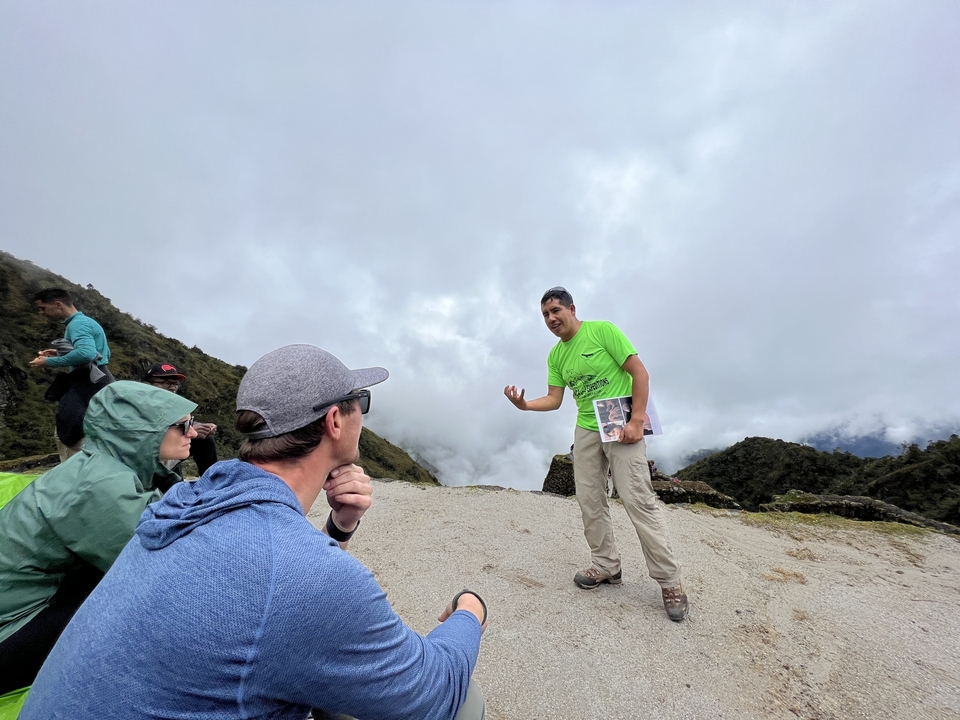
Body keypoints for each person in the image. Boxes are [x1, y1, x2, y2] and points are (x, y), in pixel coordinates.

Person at [22, 344, 488, 720]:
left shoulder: (185, 503)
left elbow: (271, 588)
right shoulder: (299, 574)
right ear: (335, 420)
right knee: (466, 706)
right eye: (360, 402)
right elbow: (433, 696)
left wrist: (337, 528)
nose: (363, 412)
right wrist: (471, 609)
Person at [504, 286, 688, 622]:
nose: (551, 319)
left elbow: (639, 373)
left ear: (572, 309)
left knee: (637, 500)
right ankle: (607, 567)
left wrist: (636, 420)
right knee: (589, 499)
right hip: (587, 427)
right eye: (545, 315)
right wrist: (526, 405)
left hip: (619, 420)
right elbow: (555, 398)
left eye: (556, 311)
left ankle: (669, 581)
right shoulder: (556, 355)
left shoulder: (602, 331)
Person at [0, 381, 197, 694]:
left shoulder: (102, 464)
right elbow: (168, 564)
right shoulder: (98, 487)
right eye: (183, 425)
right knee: (140, 608)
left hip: (29, 601)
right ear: (140, 430)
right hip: (9, 632)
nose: (194, 433)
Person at [30, 288, 114, 461]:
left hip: (87, 384)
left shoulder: (77, 324)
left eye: (43, 308)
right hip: (99, 381)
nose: (41, 313)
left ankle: (77, 477)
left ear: (57, 304)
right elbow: (101, 352)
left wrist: (48, 362)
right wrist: (57, 353)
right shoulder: (85, 321)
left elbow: (87, 354)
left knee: (70, 433)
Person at [143, 362, 220, 476]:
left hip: (166, 453)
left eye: (175, 384)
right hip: (146, 458)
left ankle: (211, 481)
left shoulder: (171, 404)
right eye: (165, 383)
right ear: (147, 384)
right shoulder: (138, 406)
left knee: (205, 439)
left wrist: (200, 427)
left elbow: (181, 422)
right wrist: (185, 431)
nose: (172, 387)